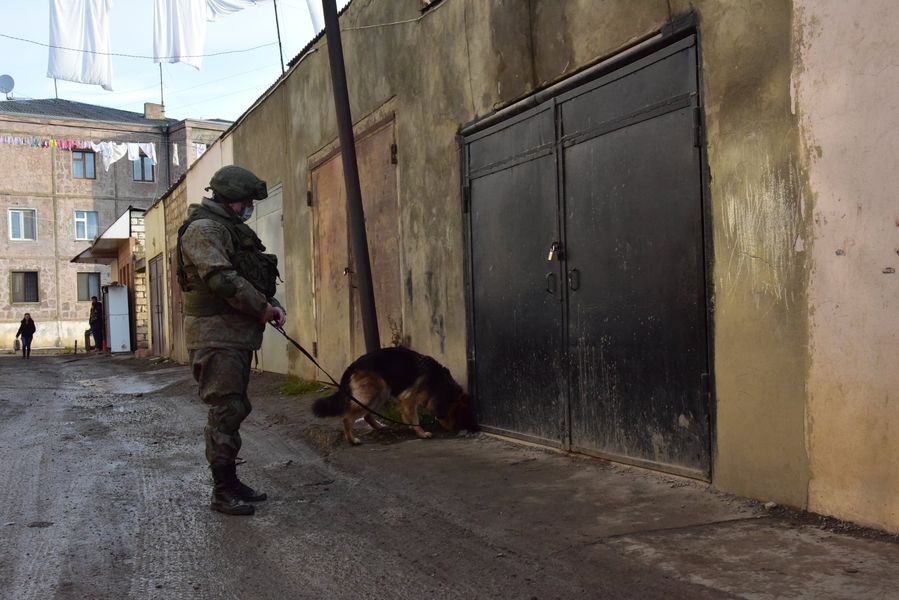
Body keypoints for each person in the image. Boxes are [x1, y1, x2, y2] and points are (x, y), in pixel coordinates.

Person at [177, 165, 286, 516]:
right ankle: (223, 491)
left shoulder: (230, 229)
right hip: (216, 335)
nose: (249, 207)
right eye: (246, 201)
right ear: (230, 199)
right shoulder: (205, 229)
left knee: (234, 407)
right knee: (226, 409)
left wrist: (271, 305)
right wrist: (262, 309)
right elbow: (222, 280)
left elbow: (249, 276)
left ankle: (231, 482)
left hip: (233, 335)